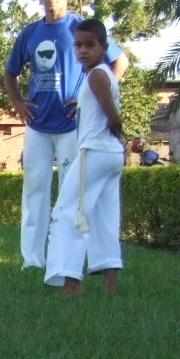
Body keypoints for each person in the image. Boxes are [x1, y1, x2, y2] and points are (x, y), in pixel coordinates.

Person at [5, 0, 129, 270]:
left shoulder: (80, 29)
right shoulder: (30, 33)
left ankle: (71, 260)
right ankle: (33, 260)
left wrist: (96, 92)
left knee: (72, 196)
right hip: (37, 125)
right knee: (34, 192)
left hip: (73, 127)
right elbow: (10, 72)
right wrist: (18, 102)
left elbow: (120, 61)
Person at [45, 19, 125, 297]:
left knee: (69, 213)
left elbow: (113, 116)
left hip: (94, 153)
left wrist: (119, 135)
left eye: (90, 45)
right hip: (110, 155)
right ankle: (111, 287)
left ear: (104, 47)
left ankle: (72, 282)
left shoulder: (96, 76)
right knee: (104, 218)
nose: (82, 51)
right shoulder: (103, 75)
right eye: (78, 45)